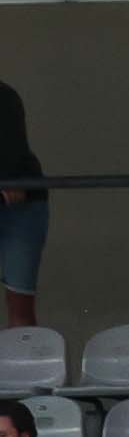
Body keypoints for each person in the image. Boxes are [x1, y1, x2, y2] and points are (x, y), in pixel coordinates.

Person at [0, 80, 38, 327]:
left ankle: (23, 362)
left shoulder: (4, 98)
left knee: (19, 311)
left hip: (22, 211)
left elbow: (15, 187)